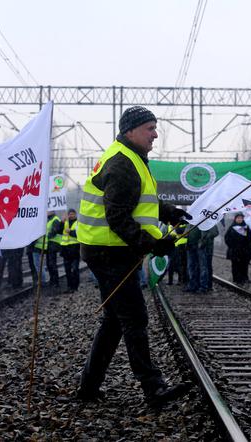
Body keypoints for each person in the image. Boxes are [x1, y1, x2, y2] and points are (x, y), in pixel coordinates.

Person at [76, 106, 192, 406]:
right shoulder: (123, 164)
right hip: (109, 252)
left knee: (115, 321)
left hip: (108, 250)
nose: (155, 134)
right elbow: (118, 217)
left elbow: (142, 201)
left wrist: (170, 213)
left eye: (155, 128)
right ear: (130, 131)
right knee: (134, 317)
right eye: (149, 128)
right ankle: (153, 388)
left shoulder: (131, 158)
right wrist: (152, 245)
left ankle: (88, 389)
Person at [224, 213, 251, 285]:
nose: (239, 219)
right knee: (235, 265)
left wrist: (247, 247)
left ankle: (244, 278)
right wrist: (232, 246)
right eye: (238, 218)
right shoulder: (232, 227)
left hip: (244, 251)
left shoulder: (246, 227)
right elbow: (227, 238)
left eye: (241, 218)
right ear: (235, 219)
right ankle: (236, 278)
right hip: (234, 250)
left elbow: (249, 239)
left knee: (244, 265)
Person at [60, 209, 80, 293]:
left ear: (75, 214)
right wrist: (61, 222)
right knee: (67, 270)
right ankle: (69, 286)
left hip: (75, 250)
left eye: (72, 214)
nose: (71, 215)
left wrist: (70, 232)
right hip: (66, 250)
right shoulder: (65, 223)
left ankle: (75, 287)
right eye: (70, 214)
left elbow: (79, 234)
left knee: (75, 269)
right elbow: (58, 231)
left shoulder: (78, 223)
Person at [45, 211, 63, 287]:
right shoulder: (49, 220)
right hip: (49, 244)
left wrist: (45, 237)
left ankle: (55, 281)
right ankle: (52, 280)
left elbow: (54, 232)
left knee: (52, 263)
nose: (46, 212)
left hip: (54, 244)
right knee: (49, 263)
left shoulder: (55, 219)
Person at [198, 224, 218, 292]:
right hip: (202, 246)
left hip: (206, 247)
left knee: (205, 267)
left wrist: (204, 239)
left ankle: (205, 286)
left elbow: (215, 232)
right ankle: (207, 285)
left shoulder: (211, 222)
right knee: (205, 267)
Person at [183, 224, 201, 293]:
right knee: (190, 267)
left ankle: (196, 285)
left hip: (197, 246)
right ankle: (191, 285)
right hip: (189, 246)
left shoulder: (200, 222)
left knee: (196, 266)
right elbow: (185, 234)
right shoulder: (188, 224)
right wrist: (186, 234)